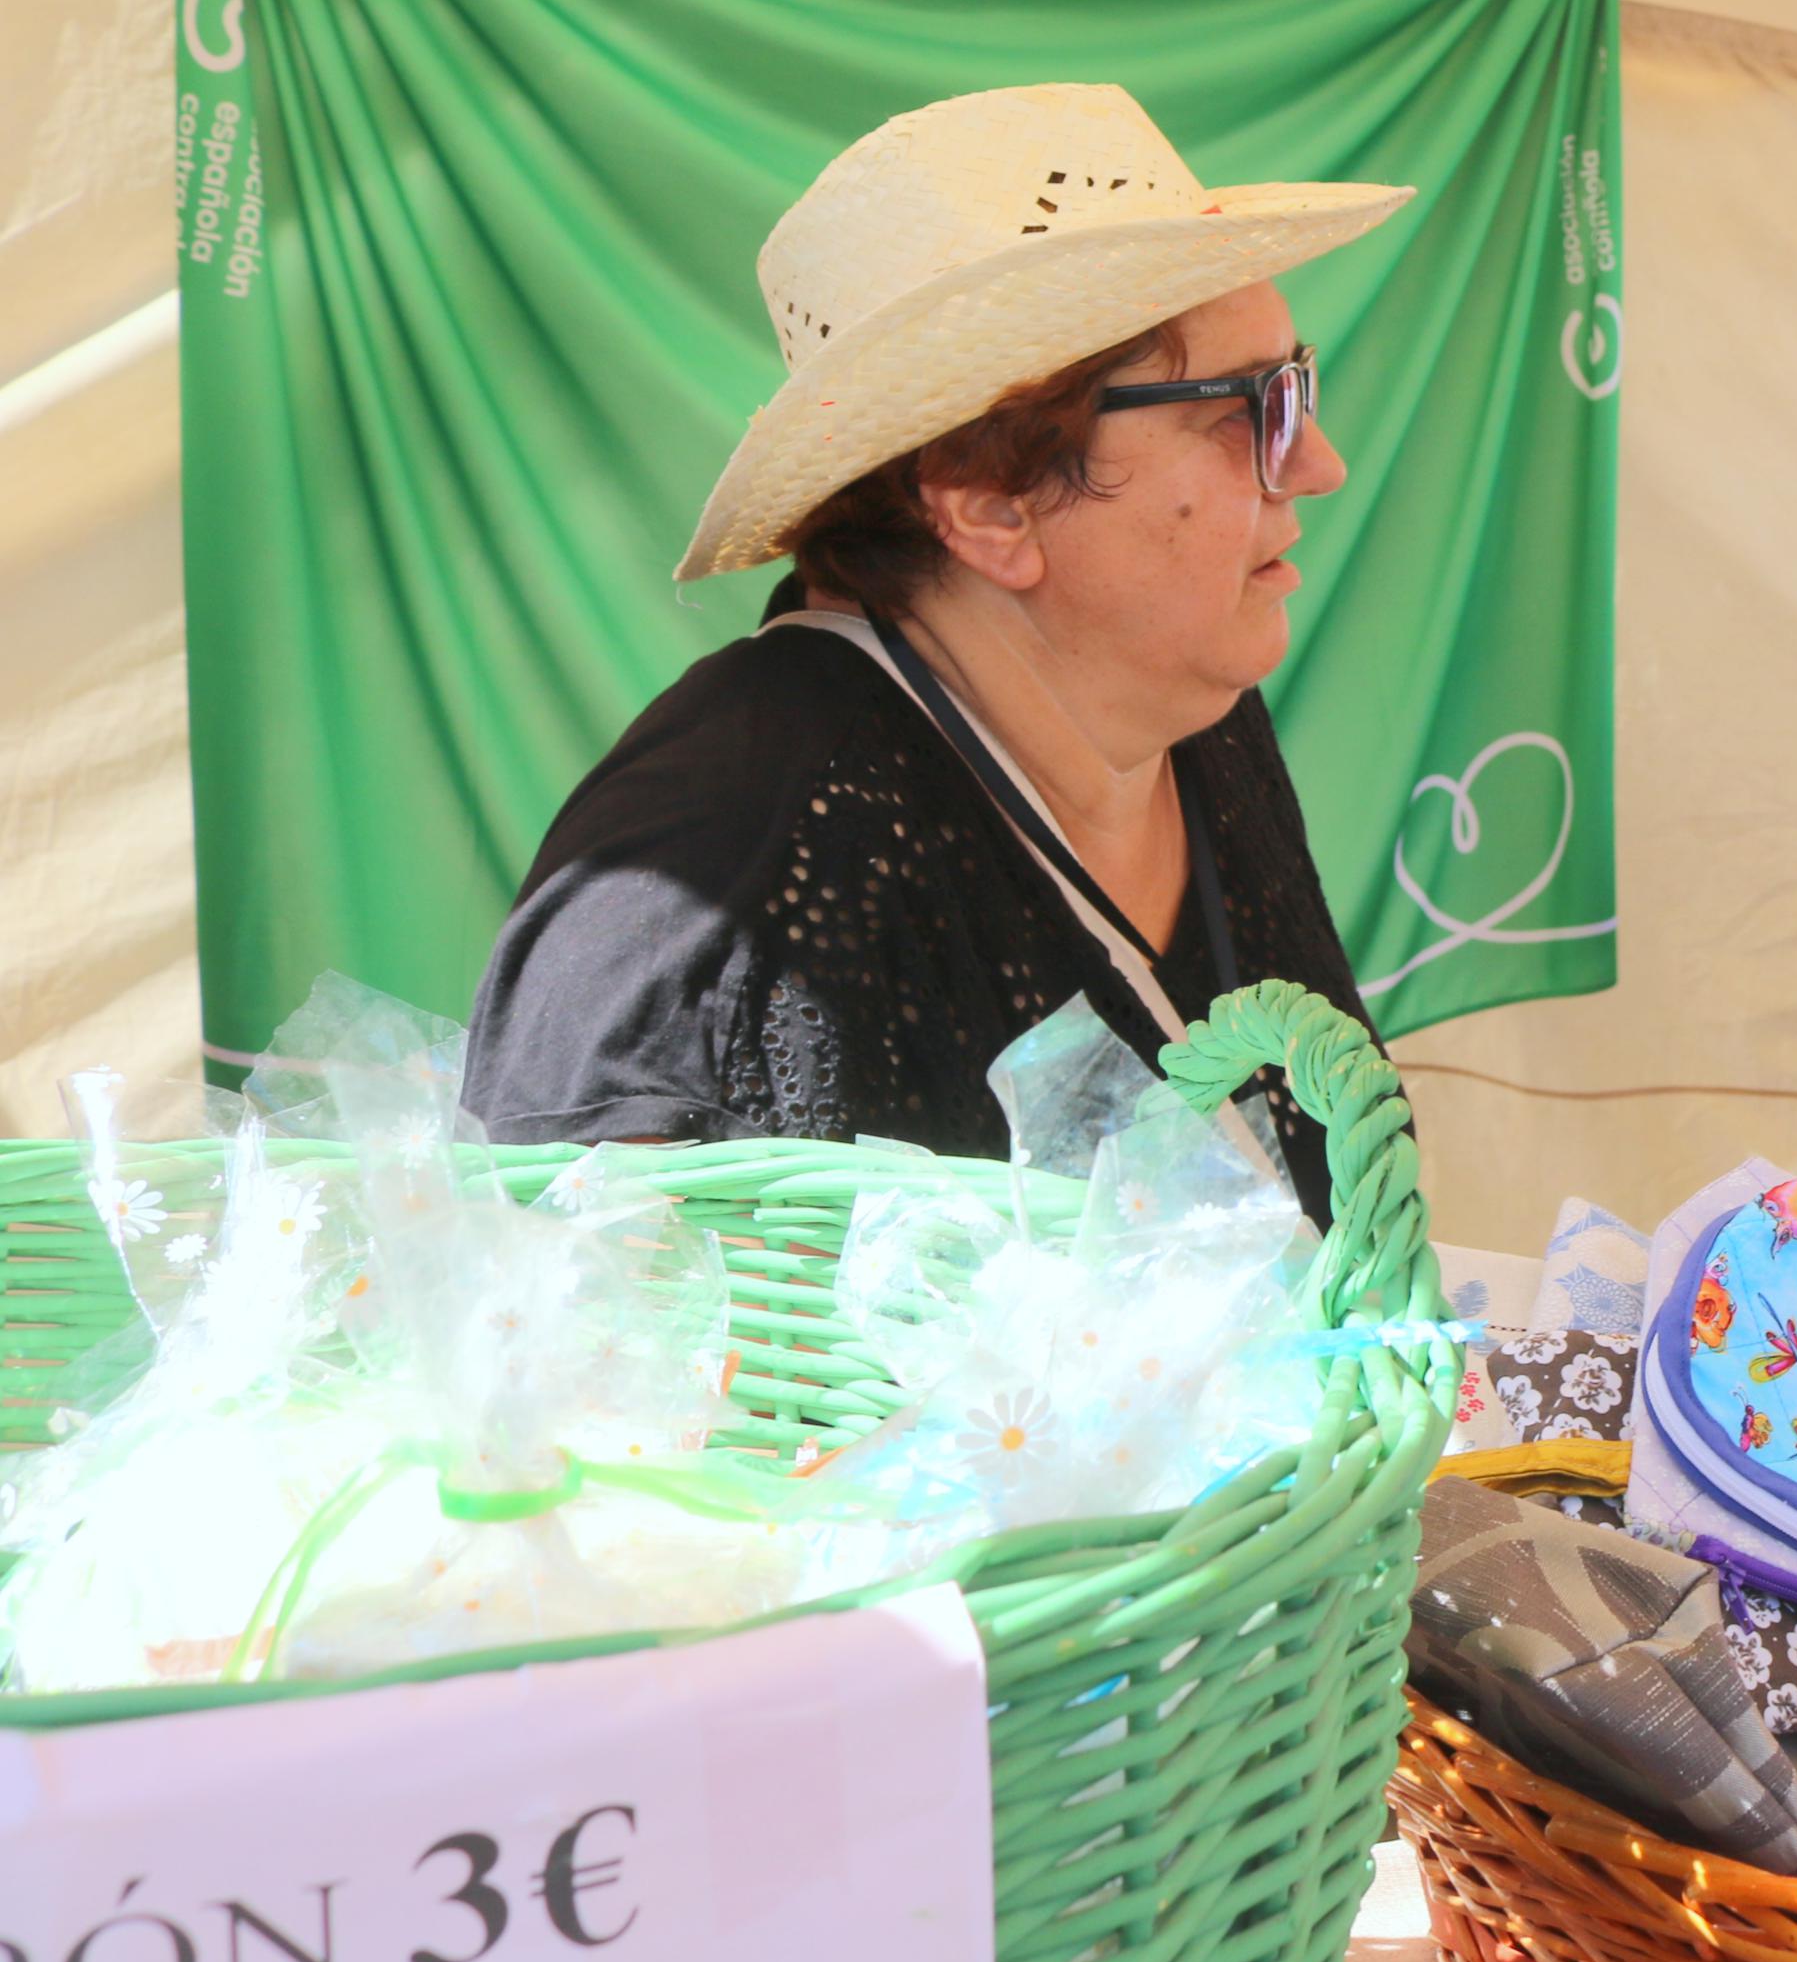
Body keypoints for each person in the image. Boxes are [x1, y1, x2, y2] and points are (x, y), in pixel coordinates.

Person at [468, 84, 1402, 1214]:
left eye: (1295, 387)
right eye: (1250, 408)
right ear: (988, 503)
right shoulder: (721, 882)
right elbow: (591, 1355)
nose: (1317, 464)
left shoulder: (1189, 719)